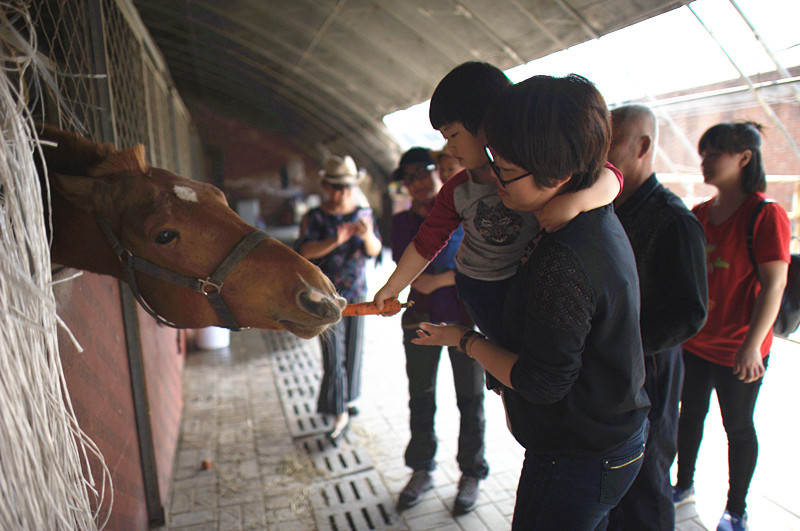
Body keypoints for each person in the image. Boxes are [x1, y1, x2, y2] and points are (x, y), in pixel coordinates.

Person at [411, 73, 650, 530]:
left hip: (580, 455)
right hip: (603, 437)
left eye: (504, 169)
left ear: (555, 173)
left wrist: (463, 340)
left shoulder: (562, 260)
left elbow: (542, 383)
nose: (493, 178)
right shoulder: (587, 211)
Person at [373, 62, 623, 395]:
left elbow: (611, 176)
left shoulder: (536, 169)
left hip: (520, 290)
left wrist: (575, 202)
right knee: (511, 371)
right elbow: (427, 240)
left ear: (486, 124)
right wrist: (394, 286)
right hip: (477, 292)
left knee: (527, 368)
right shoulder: (458, 188)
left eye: (453, 135)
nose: (449, 148)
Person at [673, 122, 790, 531]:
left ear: (743, 158)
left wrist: (752, 346)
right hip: (696, 343)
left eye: (713, 153)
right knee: (689, 417)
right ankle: (682, 485)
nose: (704, 161)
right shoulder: (700, 213)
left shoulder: (764, 214)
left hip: (739, 350)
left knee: (738, 428)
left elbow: (774, 284)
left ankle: (735, 509)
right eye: (703, 153)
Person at [606, 104, 709, 531]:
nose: (599, 156)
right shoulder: (607, 206)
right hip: (610, 366)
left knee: (647, 479)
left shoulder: (673, 219)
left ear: (643, 146)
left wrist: (622, 342)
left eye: (609, 145)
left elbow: (690, 312)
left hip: (650, 368)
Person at [390, 147, 488, 515]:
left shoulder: (467, 210)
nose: (414, 184)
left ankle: (471, 472)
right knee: (421, 395)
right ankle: (421, 468)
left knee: (471, 398)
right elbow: (405, 264)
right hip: (419, 318)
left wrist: (440, 279)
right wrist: (421, 283)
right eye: (407, 178)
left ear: (438, 171)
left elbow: (483, 264)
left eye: (420, 174)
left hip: (464, 319)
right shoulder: (402, 221)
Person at [295, 155, 382, 440]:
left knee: (354, 349)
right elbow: (304, 252)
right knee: (334, 354)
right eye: (334, 187)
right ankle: (337, 410)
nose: (341, 194)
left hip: (356, 293)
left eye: (346, 187)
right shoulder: (316, 217)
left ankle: (348, 399)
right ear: (324, 186)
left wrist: (367, 236)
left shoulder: (363, 214)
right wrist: (337, 239)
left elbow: (374, 251)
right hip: (324, 297)